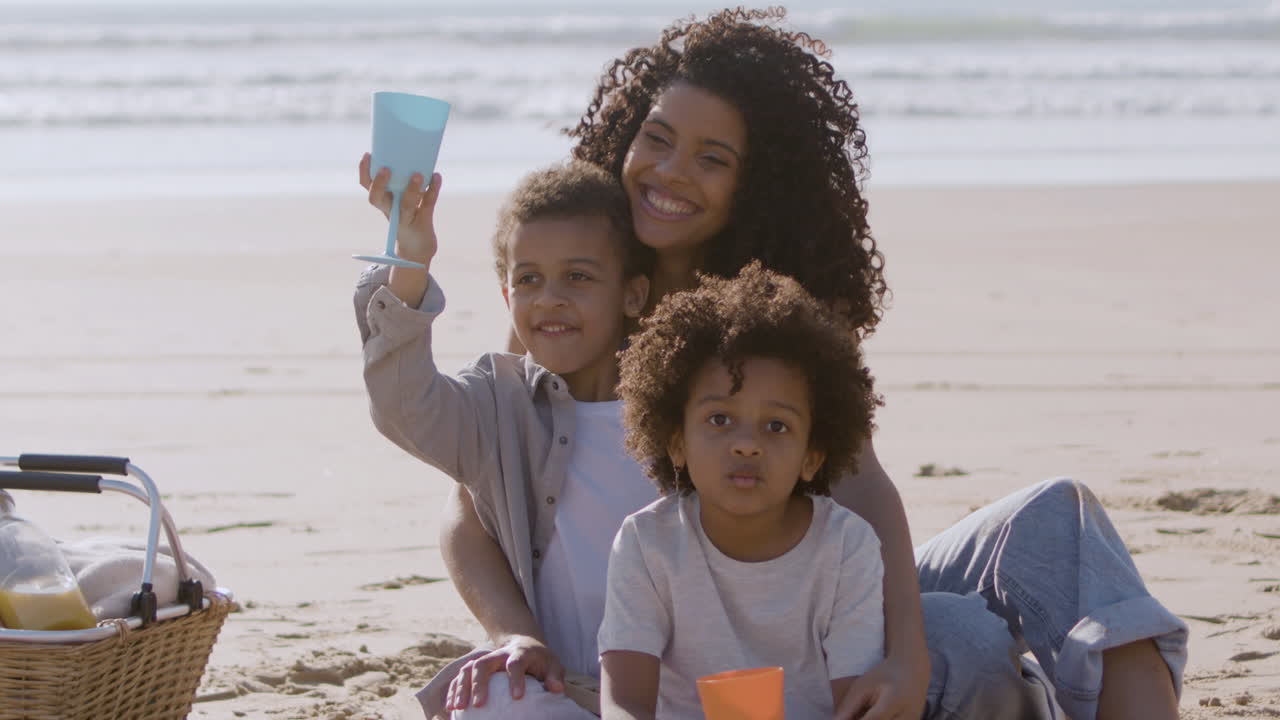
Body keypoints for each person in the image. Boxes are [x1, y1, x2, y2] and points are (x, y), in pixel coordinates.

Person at [367, 8, 1188, 719]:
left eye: (711, 158)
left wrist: (906, 650)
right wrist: (519, 636)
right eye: (657, 139)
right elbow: (473, 497)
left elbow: (860, 486)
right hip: (684, 640)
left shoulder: (774, 307)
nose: (670, 172)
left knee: (1052, 524)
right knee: (968, 643)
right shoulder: (585, 288)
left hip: (817, 585)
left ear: (753, 184)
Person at [353, 161, 657, 719]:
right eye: (529, 280)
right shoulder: (498, 403)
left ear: (632, 294)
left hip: (671, 695)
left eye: (580, 277)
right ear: (505, 294)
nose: (550, 299)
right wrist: (412, 257)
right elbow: (403, 406)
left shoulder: (677, 412)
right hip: (562, 689)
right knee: (489, 697)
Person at [599, 263, 889, 719]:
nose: (747, 444)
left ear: (812, 456)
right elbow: (623, 703)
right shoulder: (646, 542)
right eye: (719, 419)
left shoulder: (846, 546)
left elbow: (854, 707)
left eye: (777, 426)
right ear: (676, 441)